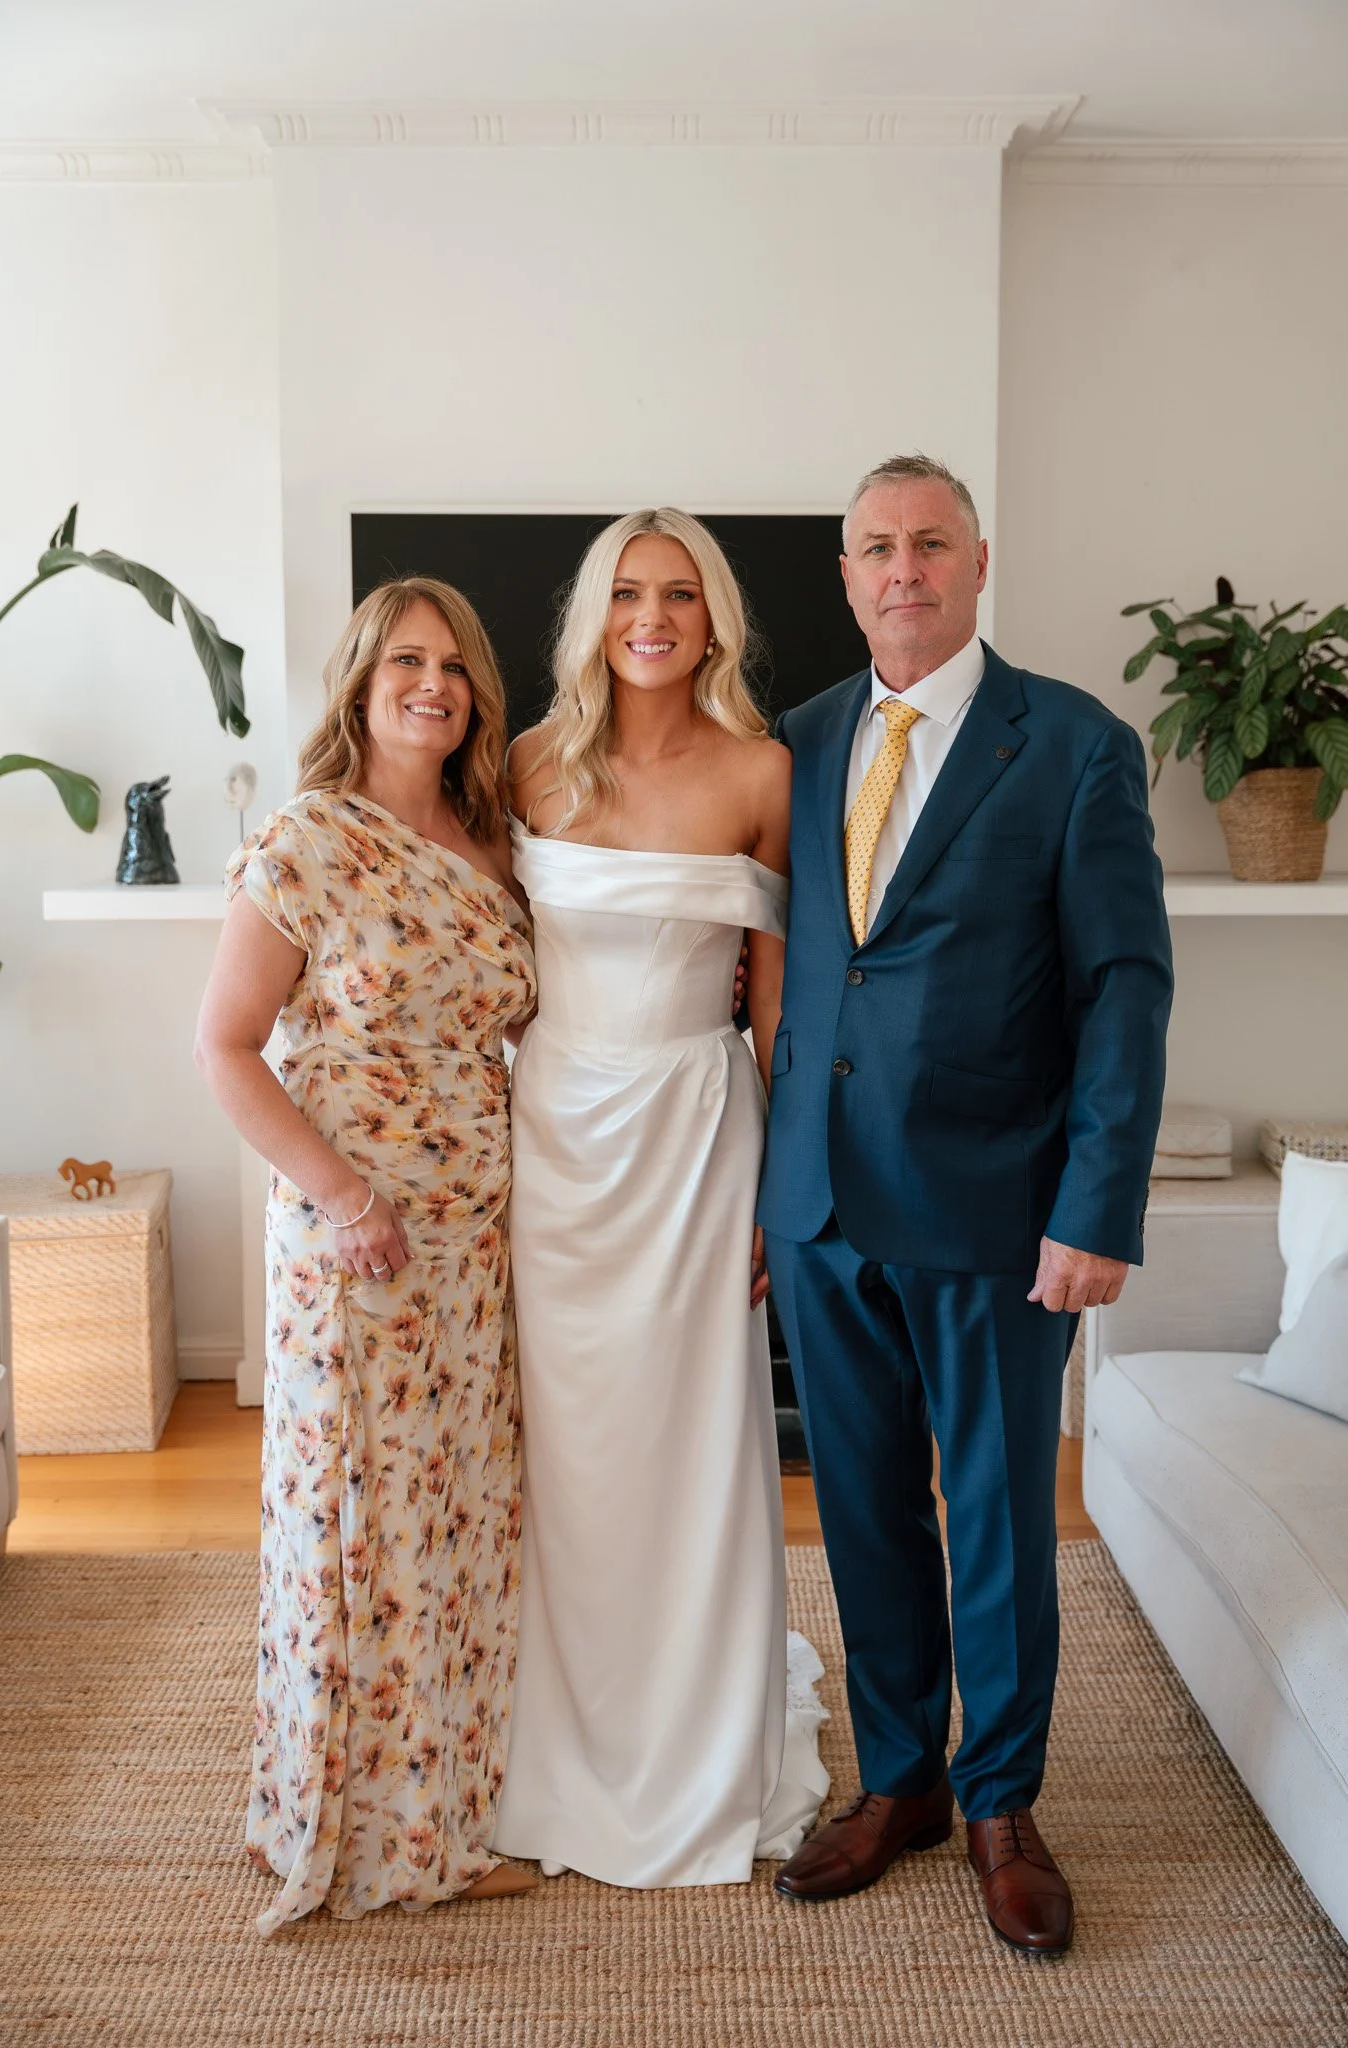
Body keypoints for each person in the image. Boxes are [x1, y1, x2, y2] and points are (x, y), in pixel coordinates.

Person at [761, 455, 1173, 1952]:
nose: (904, 570)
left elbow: (1124, 988)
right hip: (821, 1205)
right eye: (876, 547)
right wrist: (762, 1190)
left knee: (996, 1516)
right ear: (849, 572)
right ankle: (903, 1782)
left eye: (931, 543)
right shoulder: (794, 743)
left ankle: (1004, 1800)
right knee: (861, 1513)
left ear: (980, 562)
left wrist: (1099, 1206)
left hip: (1003, 1211)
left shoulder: (1069, 745)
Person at [491, 508, 829, 1886]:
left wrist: (778, 1183)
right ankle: (555, 1740)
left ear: (715, 618)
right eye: (628, 592)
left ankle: (697, 1741)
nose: (652, 615)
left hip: (698, 1135)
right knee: (567, 1449)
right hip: (553, 1139)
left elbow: (776, 1000)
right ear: (595, 615)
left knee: (690, 1437)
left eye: (678, 594)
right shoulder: (522, 766)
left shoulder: (765, 773)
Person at [194, 578, 538, 1933]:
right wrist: (342, 1196)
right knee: (355, 1525)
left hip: (479, 1241)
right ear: (359, 679)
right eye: (406, 661)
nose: (433, 686)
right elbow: (223, 1049)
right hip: (360, 1242)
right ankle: (356, 1834)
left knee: (455, 1525)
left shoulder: (490, 840)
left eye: (454, 668)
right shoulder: (306, 841)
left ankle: (444, 1808)